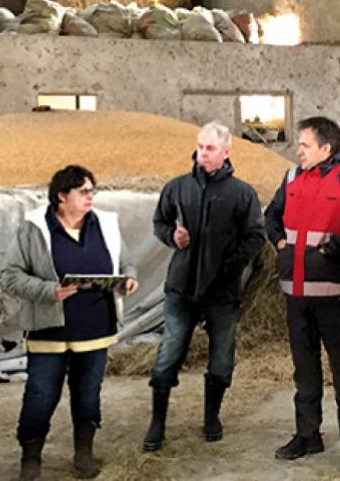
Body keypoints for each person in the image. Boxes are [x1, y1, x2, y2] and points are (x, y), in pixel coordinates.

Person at [2, 165, 138, 480]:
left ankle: (84, 453)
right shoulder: (34, 227)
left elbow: (126, 261)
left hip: (95, 329)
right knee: (40, 395)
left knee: (88, 394)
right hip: (49, 330)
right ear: (62, 196)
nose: (91, 197)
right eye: (83, 191)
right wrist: (48, 291)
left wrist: (129, 278)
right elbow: (11, 275)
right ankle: (31, 459)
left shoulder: (105, 223)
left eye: (92, 190)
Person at [264, 116, 340, 475]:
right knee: (304, 370)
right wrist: (280, 242)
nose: (297, 150)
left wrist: (336, 249)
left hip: (334, 298)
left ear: (326, 148)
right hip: (296, 295)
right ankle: (307, 435)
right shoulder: (291, 178)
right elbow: (271, 216)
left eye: (304, 144)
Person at [143, 122, 265, 451]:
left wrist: (233, 265)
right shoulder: (177, 188)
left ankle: (212, 417)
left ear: (226, 151)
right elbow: (160, 222)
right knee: (170, 351)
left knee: (222, 356)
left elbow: (256, 235)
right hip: (181, 287)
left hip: (222, 291)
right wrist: (172, 236)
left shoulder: (243, 193)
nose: (202, 154)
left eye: (210, 148)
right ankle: (158, 422)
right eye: (199, 147)